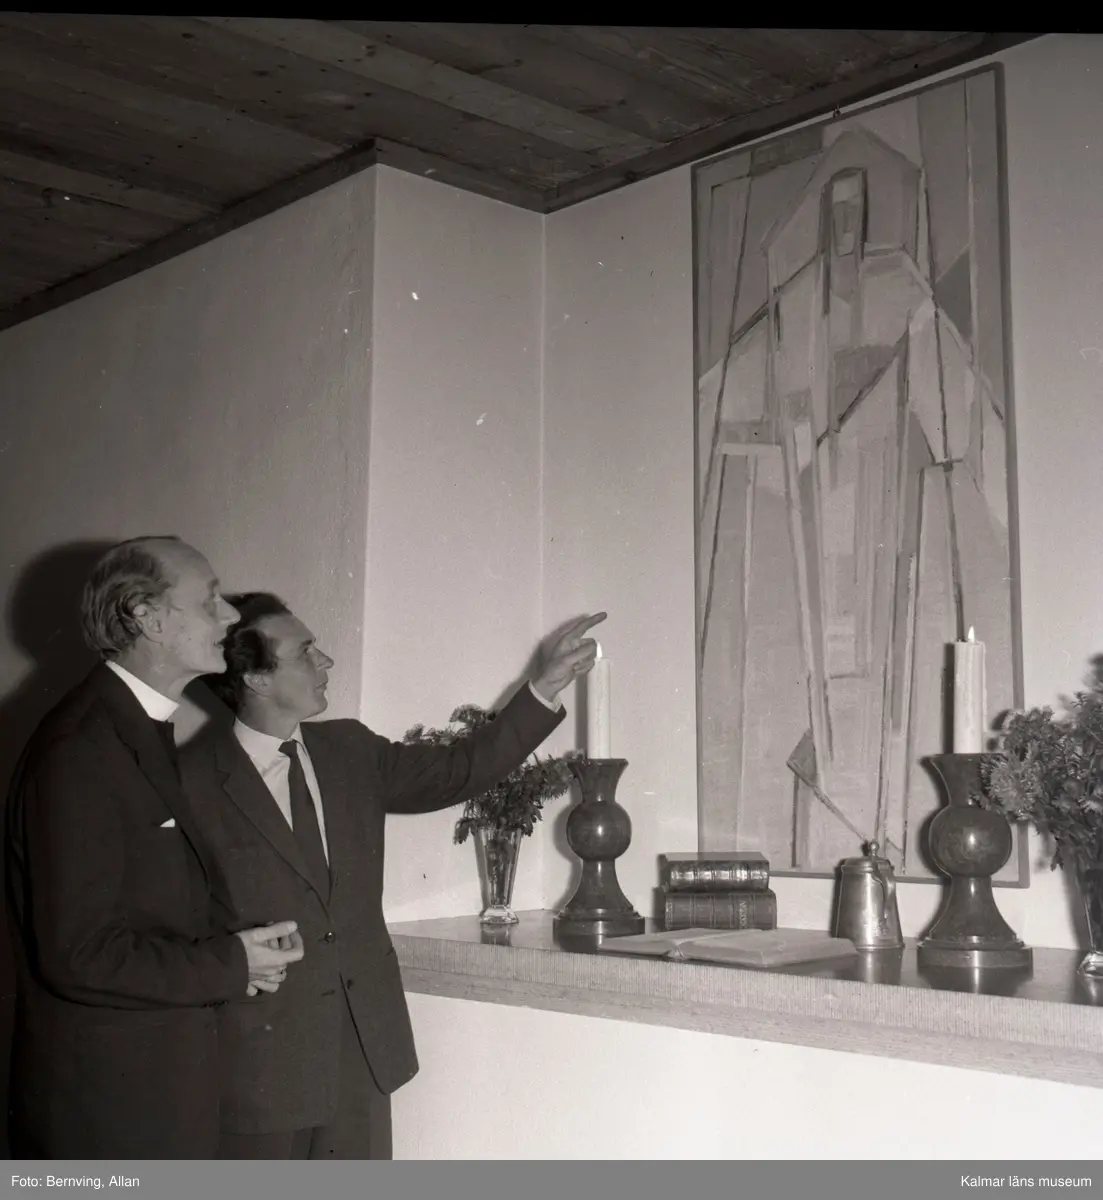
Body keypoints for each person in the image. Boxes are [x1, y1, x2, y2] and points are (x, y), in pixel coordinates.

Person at [180, 592, 604, 1159]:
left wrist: (543, 686)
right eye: (305, 652)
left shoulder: (350, 749)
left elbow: (459, 769)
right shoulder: (188, 780)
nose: (325, 661)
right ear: (257, 678)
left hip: (361, 1053)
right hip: (253, 1067)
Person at [5, 537, 307, 1159]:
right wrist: (231, 964)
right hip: (107, 1121)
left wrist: (240, 953)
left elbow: (143, 908)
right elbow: (78, 954)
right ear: (147, 617)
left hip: (149, 1097)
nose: (230, 615)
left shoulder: (134, 727)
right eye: (209, 600)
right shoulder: (81, 747)